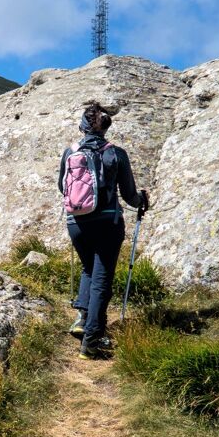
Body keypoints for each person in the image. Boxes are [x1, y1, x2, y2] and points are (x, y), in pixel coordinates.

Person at [58, 102, 148, 359]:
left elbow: (61, 186)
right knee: (101, 279)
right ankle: (92, 341)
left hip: (76, 222)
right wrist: (142, 200)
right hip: (108, 223)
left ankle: (83, 320)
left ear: (82, 126)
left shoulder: (70, 152)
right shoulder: (116, 154)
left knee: (89, 268)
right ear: (106, 127)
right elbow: (130, 195)